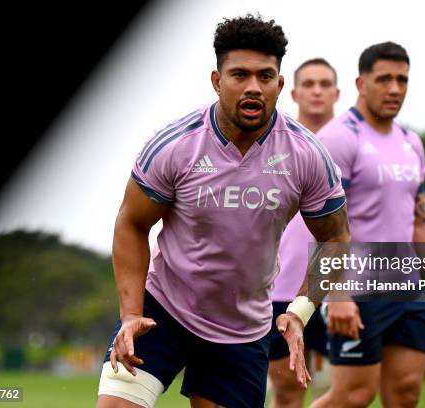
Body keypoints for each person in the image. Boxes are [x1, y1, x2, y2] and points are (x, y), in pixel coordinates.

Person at [96, 14, 353, 408]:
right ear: (217, 80)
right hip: (163, 308)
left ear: (280, 85)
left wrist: (300, 311)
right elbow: (131, 223)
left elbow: (336, 238)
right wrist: (130, 314)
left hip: (243, 329)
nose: (253, 87)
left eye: (265, 77)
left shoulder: (307, 155)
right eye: (240, 75)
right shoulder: (174, 146)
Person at [309, 42, 425, 408]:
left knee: (406, 394)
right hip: (356, 290)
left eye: (402, 80)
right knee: (353, 396)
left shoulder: (412, 142)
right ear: (361, 83)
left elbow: (421, 223)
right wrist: (337, 294)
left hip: (405, 289)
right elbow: (322, 225)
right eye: (384, 79)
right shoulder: (339, 137)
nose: (395, 89)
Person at [268, 58, 340, 408]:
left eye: (324, 84)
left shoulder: (351, 144)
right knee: (288, 391)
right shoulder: (278, 145)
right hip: (283, 291)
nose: (316, 91)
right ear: (292, 91)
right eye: (309, 84)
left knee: (337, 390)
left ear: (337, 92)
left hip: (341, 292)